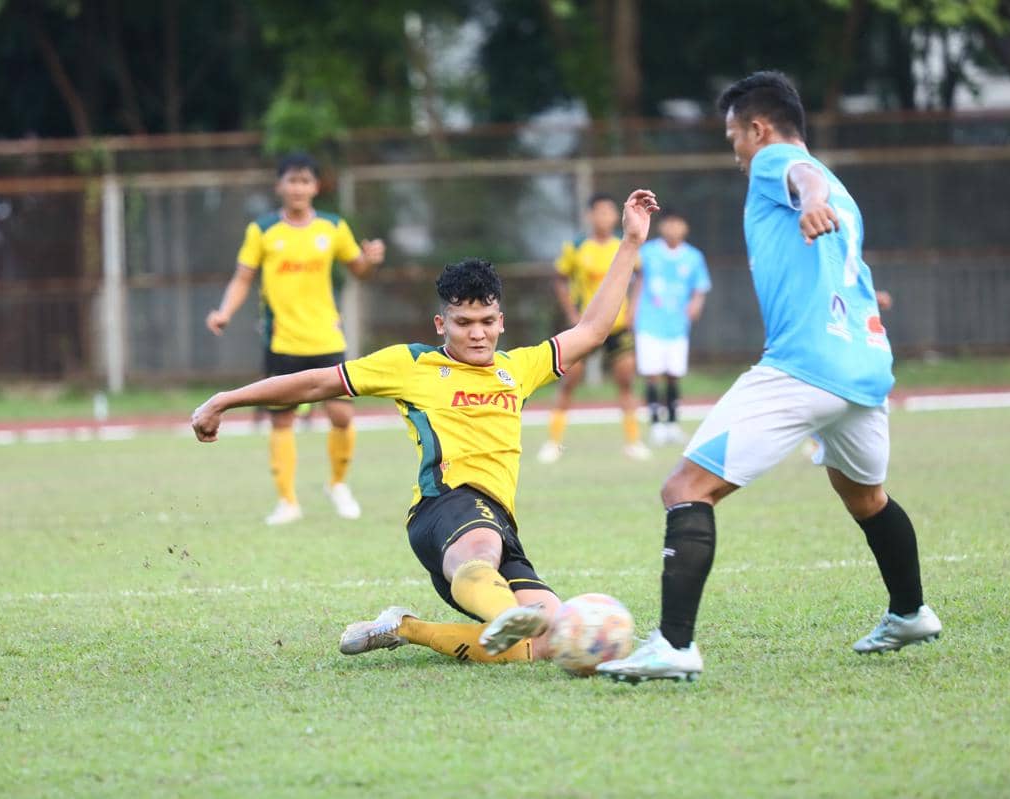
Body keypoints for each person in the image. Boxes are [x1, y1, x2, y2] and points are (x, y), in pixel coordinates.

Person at [193, 190, 660, 664]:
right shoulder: (411, 364)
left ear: (501, 322)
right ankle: (504, 611)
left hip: (500, 521)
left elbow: (594, 330)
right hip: (445, 508)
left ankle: (406, 628)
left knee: (543, 645)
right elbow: (317, 383)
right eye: (463, 322)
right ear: (442, 323)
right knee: (483, 548)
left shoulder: (519, 368)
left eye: (485, 321)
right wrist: (228, 399)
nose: (476, 333)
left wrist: (630, 244)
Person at [598, 72, 941, 683]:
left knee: (685, 489)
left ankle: (673, 646)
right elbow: (843, 266)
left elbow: (797, 176)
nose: (733, 150)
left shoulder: (779, 165)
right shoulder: (844, 192)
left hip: (804, 364)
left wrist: (807, 196)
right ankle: (910, 612)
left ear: (757, 128)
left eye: (733, 135)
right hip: (863, 368)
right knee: (865, 496)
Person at [206, 153, 386, 526]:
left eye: (306, 181)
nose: (299, 188)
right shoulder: (263, 230)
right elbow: (243, 277)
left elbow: (359, 271)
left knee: (341, 415)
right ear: (280, 186)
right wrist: (224, 312)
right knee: (282, 421)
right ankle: (288, 502)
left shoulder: (333, 227)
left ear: (315, 187)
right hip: (282, 341)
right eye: (292, 181)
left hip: (324, 337)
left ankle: (337, 485)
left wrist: (370, 260)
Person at [537, 193, 650, 464]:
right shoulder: (576, 247)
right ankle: (553, 443)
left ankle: (633, 443)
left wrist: (633, 309)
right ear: (590, 215)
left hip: (618, 326)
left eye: (609, 212)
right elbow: (560, 280)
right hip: (584, 327)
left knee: (625, 380)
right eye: (598, 212)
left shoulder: (625, 245)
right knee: (569, 381)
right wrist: (572, 313)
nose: (604, 218)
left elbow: (640, 276)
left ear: (617, 216)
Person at [630, 209, 711, 447]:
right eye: (669, 224)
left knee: (674, 375)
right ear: (661, 227)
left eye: (678, 224)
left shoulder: (693, 257)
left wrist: (696, 304)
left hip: (677, 325)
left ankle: (673, 423)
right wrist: (632, 312)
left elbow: (700, 286)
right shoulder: (648, 253)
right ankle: (656, 424)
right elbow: (637, 283)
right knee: (652, 374)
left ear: (685, 228)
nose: (673, 229)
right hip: (649, 322)